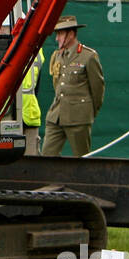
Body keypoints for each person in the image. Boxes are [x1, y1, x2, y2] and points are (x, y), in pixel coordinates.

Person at [42, 16, 105, 157]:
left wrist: (87, 113)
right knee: (47, 155)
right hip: (56, 115)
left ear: (70, 34)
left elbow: (97, 89)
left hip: (78, 117)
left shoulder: (88, 56)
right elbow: (57, 85)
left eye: (60, 34)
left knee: (81, 159)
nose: (57, 38)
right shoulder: (57, 56)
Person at [20, 48, 45, 156]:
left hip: (28, 115)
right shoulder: (37, 50)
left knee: (31, 159)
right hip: (6, 115)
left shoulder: (38, 51)